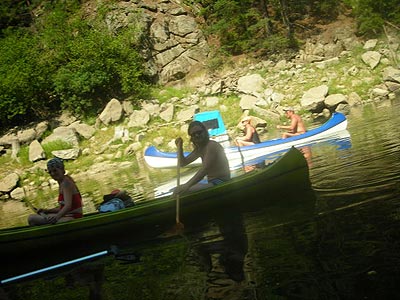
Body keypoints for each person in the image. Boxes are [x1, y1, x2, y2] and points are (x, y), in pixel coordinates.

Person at [173, 121, 230, 195]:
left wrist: (186, 186)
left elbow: (204, 169)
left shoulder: (211, 146)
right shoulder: (199, 149)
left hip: (221, 182)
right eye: (193, 134)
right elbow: (182, 163)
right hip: (212, 182)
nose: (196, 135)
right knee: (177, 190)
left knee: (184, 191)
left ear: (205, 132)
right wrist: (179, 148)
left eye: (199, 132)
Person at [28, 158, 83, 226]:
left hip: (73, 217)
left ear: (62, 169)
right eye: (50, 172)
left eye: (55, 170)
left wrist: (56, 217)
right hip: (68, 216)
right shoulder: (62, 182)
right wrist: (47, 211)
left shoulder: (66, 183)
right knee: (41, 215)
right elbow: (62, 208)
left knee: (32, 218)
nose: (53, 173)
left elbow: (68, 206)